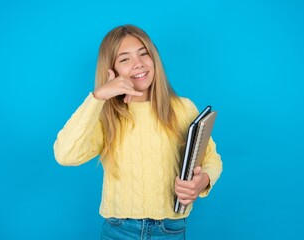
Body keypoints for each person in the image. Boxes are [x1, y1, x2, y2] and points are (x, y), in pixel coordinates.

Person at [53, 24, 222, 240]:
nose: (138, 64)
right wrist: (98, 97)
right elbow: (65, 154)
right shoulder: (106, 117)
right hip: (119, 230)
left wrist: (203, 181)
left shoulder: (183, 108)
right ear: (111, 70)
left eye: (144, 54)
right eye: (125, 59)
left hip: (170, 230)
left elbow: (212, 159)